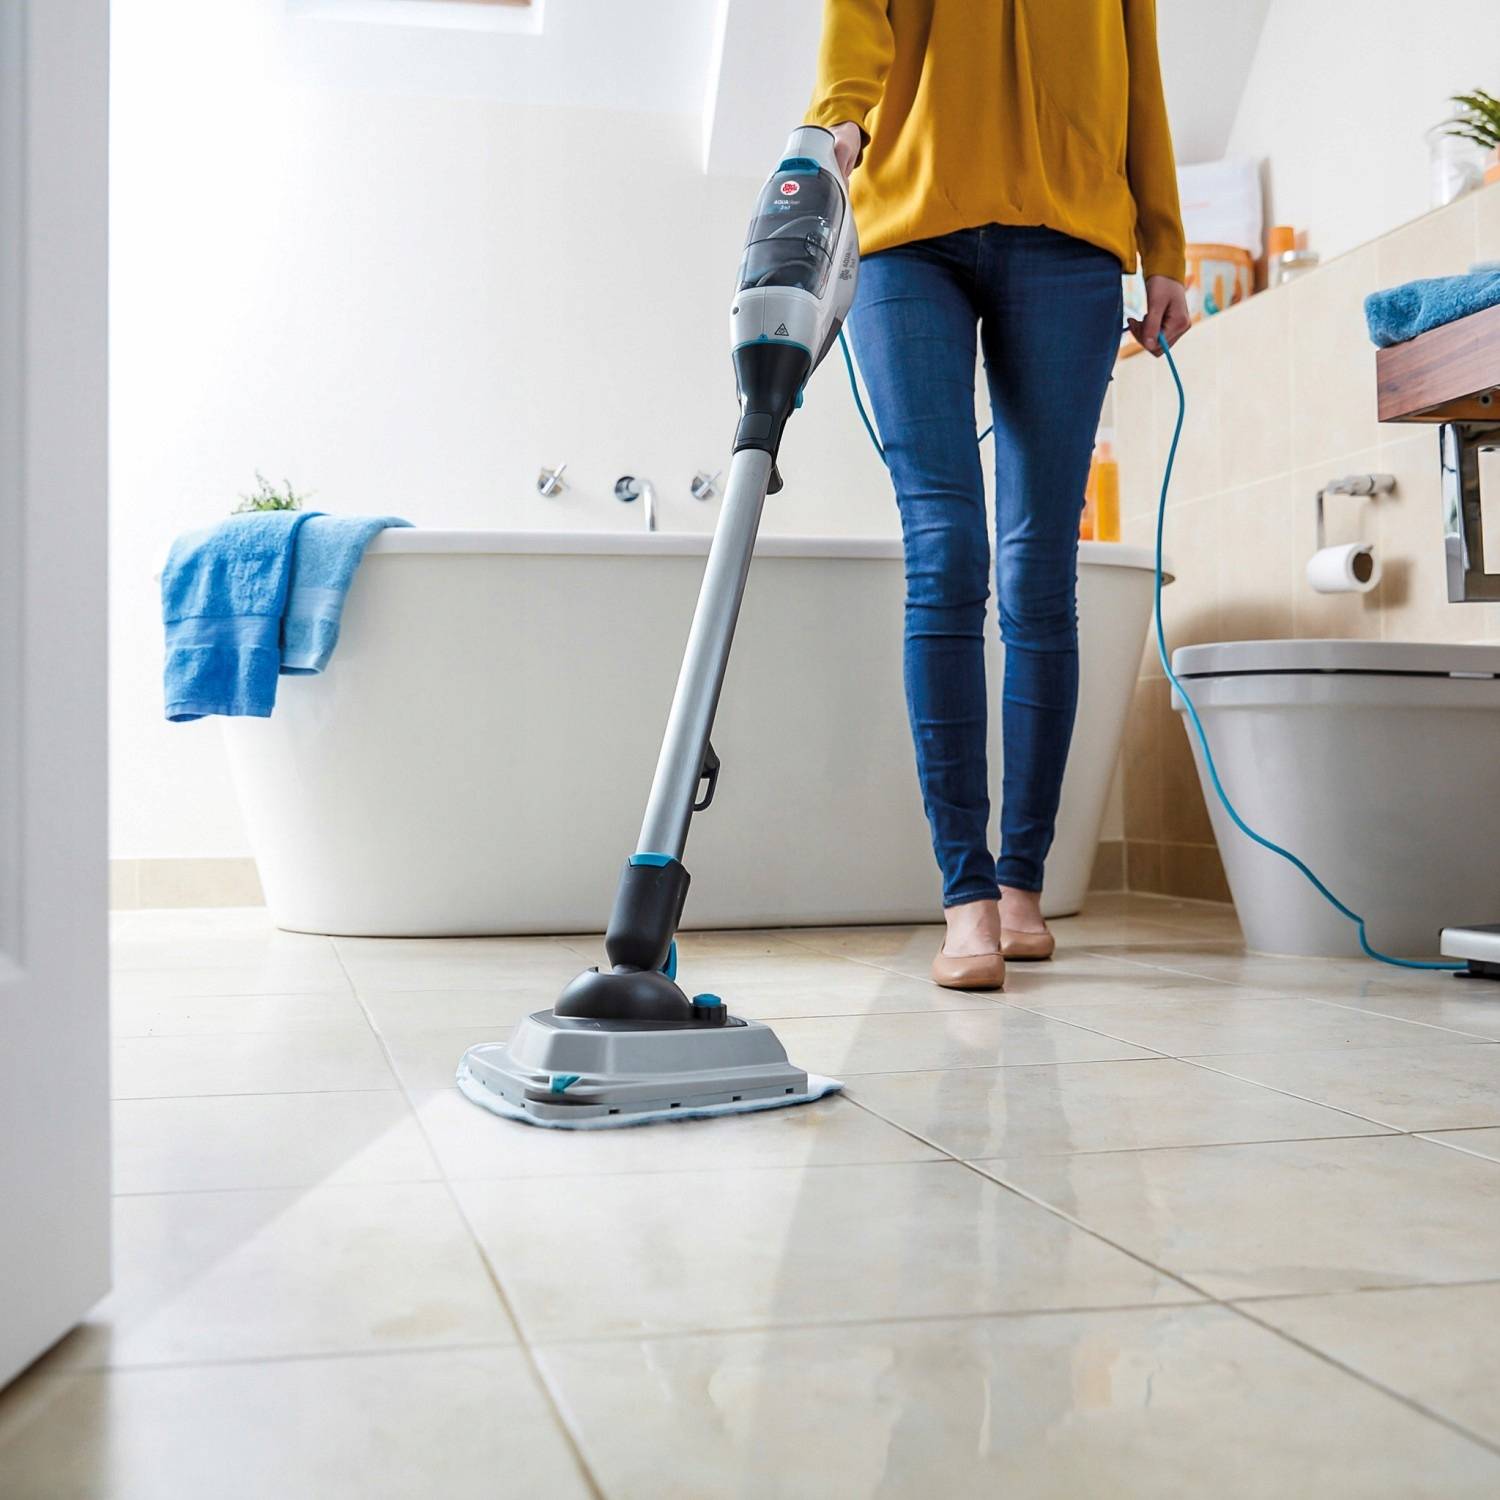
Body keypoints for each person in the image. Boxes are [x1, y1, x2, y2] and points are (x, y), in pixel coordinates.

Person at [807, 0, 1190, 989]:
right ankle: (965, 897)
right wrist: (838, 120)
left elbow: (1140, 77)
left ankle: (1022, 887)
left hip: (1069, 241)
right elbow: (858, 18)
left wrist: (1166, 248)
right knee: (946, 548)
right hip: (907, 230)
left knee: (1039, 568)